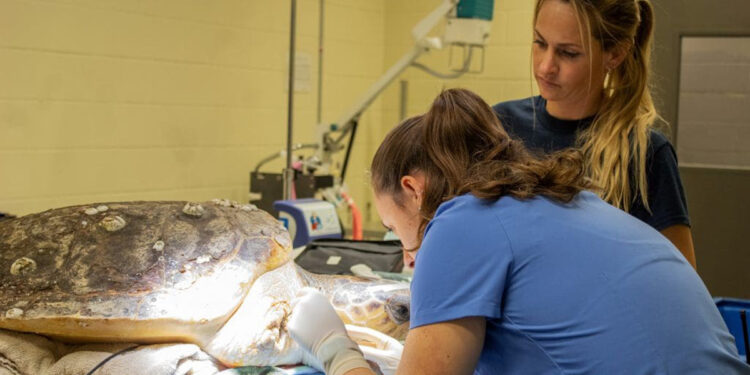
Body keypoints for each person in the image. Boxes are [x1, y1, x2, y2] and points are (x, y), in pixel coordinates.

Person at [287, 88, 749, 375]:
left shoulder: (458, 222)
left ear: (413, 189)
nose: (408, 257)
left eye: (396, 231)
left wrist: (336, 351)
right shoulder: (571, 198)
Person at [492, 0, 697, 268]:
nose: (545, 67)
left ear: (615, 54)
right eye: (540, 43)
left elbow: (681, 280)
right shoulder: (499, 127)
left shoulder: (645, 153)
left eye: (568, 53)